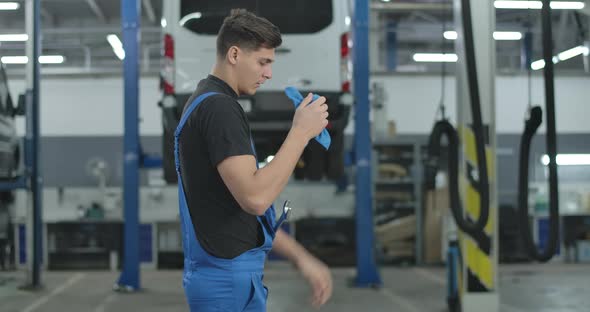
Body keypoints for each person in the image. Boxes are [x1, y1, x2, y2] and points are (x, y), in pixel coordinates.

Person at [175, 8, 333, 311]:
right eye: (263, 62)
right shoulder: (220, 109)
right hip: (226, 281)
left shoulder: (206, 101)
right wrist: (300, 132)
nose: (269, 73)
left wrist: (301, 258)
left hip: (226, 275)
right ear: (234, 54)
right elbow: (256, 198)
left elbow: (242, 212)